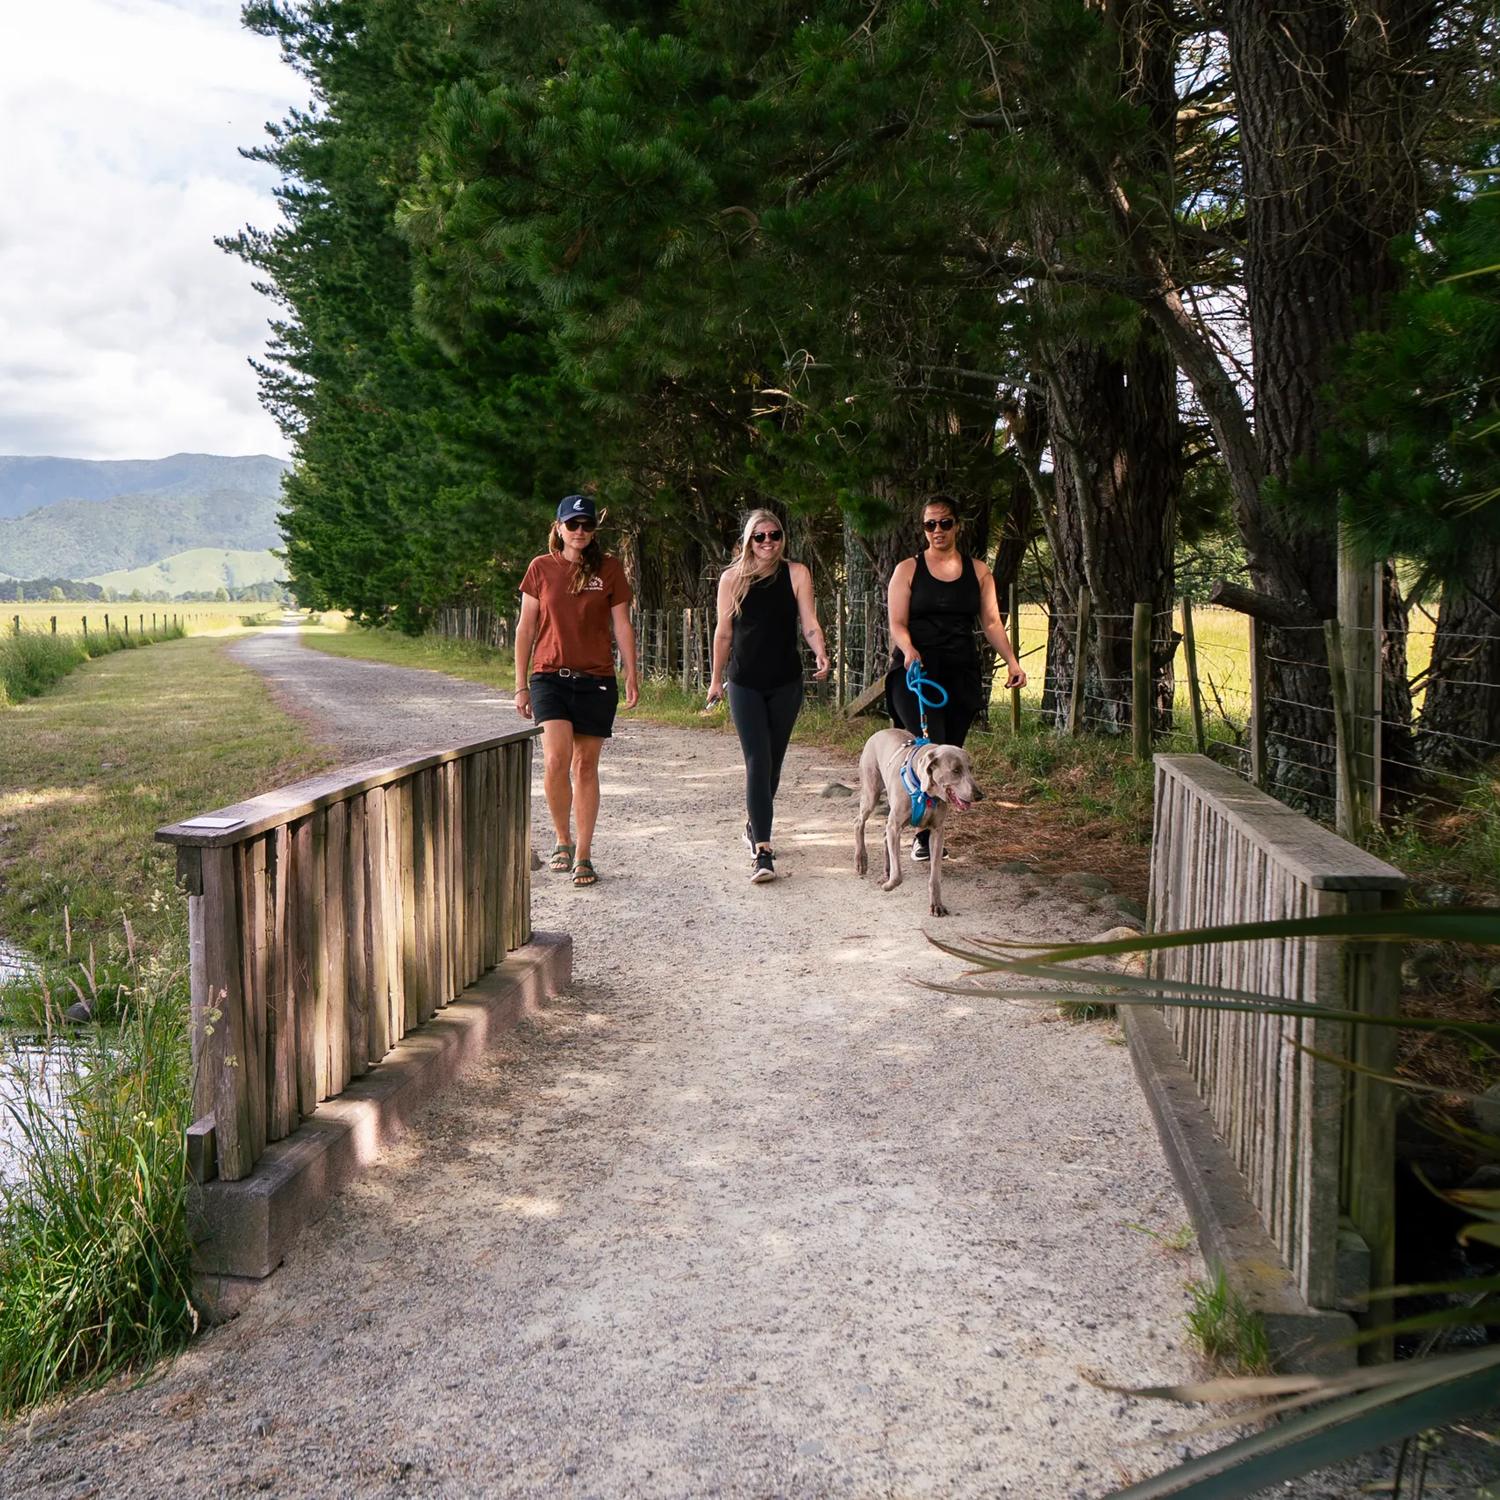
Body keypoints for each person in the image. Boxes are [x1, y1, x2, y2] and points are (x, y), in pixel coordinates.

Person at [886, 495, 1026, 860]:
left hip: (961, 669)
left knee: (953, 751)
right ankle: (918, 831)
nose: (937, 531)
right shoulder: (907, 570)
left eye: (944, 523)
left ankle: (926, 831)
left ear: (957, 526)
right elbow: (897, 623)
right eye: (930, 524)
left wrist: (1011, 661)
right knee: (929, 748)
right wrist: (909, 649)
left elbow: (992, 622)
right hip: (917, 670)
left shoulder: (978, 571)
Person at [514, 494, 639, 888]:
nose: (580, 532)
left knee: (585, 765)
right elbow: (526, 628)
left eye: (587, 525)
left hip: (596, 679)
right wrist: (520, 684)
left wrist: (632, 672)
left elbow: (622, 625)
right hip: (549, 675)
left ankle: (584, 852)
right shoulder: (540, 568)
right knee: (555, 759)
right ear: (558, 528)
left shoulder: (610, 569)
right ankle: (562, 839)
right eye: (573, 525)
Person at [706, 510, 830, 883]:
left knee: (773, 763)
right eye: (759, 537)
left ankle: (753, 823)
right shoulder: (732, 579)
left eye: (774, 535)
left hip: (786, 682)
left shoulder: (797, 573)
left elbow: (808, 622)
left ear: (782, 538)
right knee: (758, 759)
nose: (767, 543)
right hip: (744, 681)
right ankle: (763, 849)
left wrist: (820, 651)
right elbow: (724, 633)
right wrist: (715, 681)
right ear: (748, 541)